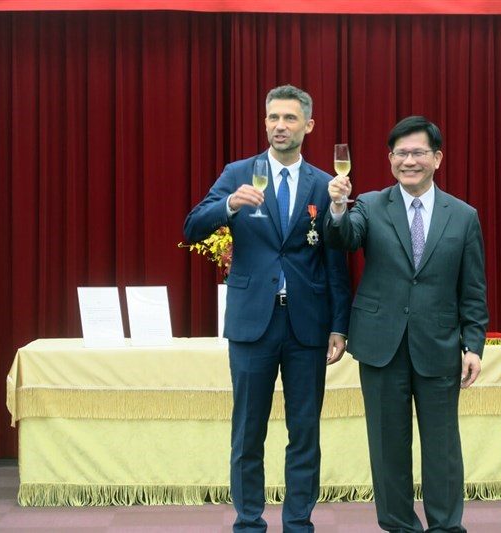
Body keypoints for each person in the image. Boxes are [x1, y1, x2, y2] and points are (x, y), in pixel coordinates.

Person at [184, 84, 351, 533]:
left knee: (304, 433)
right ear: (264, 123)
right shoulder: (239, 172)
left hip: (307, 327)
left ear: (308, 126)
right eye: (274, 118)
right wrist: (228, 204)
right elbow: (192, 226)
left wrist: (340, 325)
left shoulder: (323, 183)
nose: (281, 126)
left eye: (290, 119)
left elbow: (335, 259)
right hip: (252, 324)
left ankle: (299, 522)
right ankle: (249, 522)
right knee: (248, 431)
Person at [325, 116, 488, 532]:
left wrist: (474, 345)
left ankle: (447, 527)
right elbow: (344, 236)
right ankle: (399, 526)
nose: (409, 161)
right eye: (401, 153)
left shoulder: (463, 216)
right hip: (382, 346)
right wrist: (339, 207)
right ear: (390, 159)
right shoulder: (370, 204)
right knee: (387, 449)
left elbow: (472, 290)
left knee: (443, 449)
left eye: (418, 153)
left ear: (437, 158)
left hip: (439, 345)